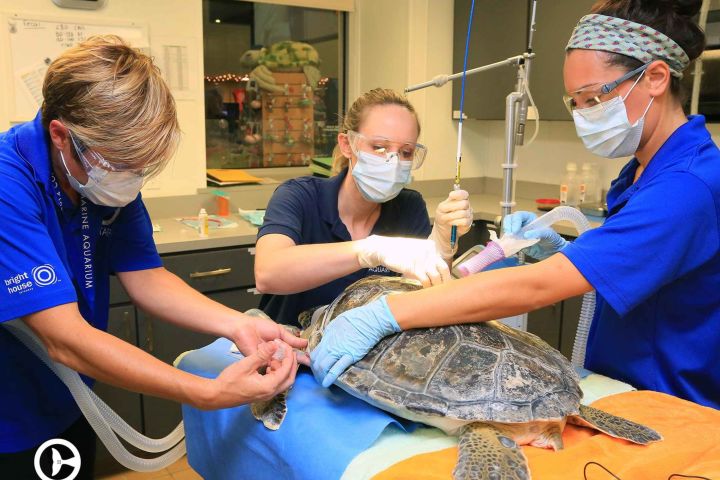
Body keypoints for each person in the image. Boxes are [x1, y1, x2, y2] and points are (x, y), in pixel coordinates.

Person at [310, 0, 720, 410]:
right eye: (575, 102)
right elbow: (648, 262)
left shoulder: (685, 185)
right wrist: (571, 252)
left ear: (656, 78)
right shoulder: (644, 170)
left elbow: (538, 286)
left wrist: (384, 314)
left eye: (594, 99)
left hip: (674, 402)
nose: (584, 115)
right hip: (625, 388)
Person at [0, 36, 307, 478]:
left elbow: (147, 276)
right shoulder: (10, 183)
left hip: (65, 399)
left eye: (140, 167)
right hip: (9, 409)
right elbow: (63, 339)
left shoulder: (97, 178)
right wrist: (203, 392)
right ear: (60, 135)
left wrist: (239, 324)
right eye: (121, 165)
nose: (130, 182)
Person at [254, 88, 474, 326]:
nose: (393, 161)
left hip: (365, 355)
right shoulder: (299, 196)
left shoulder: (409, 207)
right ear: (348, 145)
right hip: (287, 349)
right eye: (379, 147)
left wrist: (441, 241)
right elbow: (268, 274)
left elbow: (420, 300)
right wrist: (368, 251)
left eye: (406, 152)